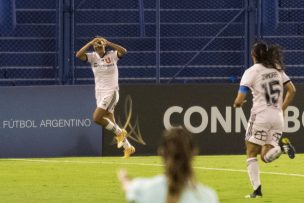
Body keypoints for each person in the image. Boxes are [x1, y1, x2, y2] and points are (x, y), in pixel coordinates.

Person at [233, 41, 296, 198]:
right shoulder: (276, 68)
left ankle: (257, 191)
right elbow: (292, 90)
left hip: (261, 116)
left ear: (253, 55)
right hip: (277, 118)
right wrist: (281, 108)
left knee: (251, 152)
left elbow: (240, 100)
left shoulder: (251, 71)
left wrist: (237, 104)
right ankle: (282, 148)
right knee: (266, 156)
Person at [117, 127, 219, 203]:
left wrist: (123, 177)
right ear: (194, 152)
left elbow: (128, 187)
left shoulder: (145, 189)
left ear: (161, 152)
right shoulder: (209, 197)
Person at [76, 36, 135, 158]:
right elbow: (78, 55)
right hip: (99, 93)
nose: (99, 48)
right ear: (94, 48)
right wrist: (90, 42)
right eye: (96, 46)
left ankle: (121, 133)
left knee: (96, 118)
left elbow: (124, 51)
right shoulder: (92, 57)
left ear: (104, 46)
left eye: (101, 45)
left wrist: (109, 42)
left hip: (111, 92)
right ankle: (128, 147)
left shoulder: (112, 55)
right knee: (111, 122)